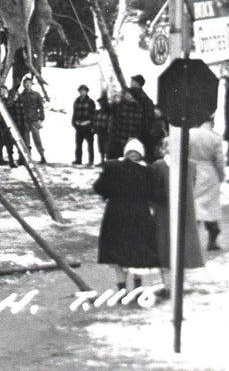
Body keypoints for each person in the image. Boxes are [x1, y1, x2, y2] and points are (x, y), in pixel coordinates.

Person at [93, 138, 158, 291]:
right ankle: (137, 285)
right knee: (138, 251)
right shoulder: (148, 170)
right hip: (139, 214)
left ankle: (121, 287)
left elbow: (98, 187)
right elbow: (154, 194)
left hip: (115, 213)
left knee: (116, 251)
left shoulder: (112, 166)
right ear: (141, 154)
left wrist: (110, 194)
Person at [149, 132, 203, 295]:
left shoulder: (190, 165)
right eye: (169, 145)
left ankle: (179, 285)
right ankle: (167, 285)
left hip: (184, 213)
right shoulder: (158, 165)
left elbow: (192, 186)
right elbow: (152, 189)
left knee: (182, 248)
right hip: (164, 212)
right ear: (164, 148)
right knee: (164, 246)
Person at [187, 120, 223, 251]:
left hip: (191, 171)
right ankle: (212, 239)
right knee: (210, 208)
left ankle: (190, 240)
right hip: (208, 172)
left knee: (193, 205)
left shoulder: (190, 134)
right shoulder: (214, 137)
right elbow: (219, 160)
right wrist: (221, 175)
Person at [13, 76, 47, 165]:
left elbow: (41, 107)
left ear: (32, 84)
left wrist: (41, 119)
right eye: (25, 83)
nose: (27, 85)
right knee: (25, 140)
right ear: (23, 85)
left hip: (34, 120)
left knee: (37, 139)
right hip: (24, 121)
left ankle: (42, 156)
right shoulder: (21, 96)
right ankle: (27, 158)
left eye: (29, 83)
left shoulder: (36, 95)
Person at [72, 85, 97, 166]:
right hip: (78, 125)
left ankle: (91, 160)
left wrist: (92, 125)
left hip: (87, 125)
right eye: (80, 90)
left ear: (86, 92)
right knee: (78, 144)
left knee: (90, 144)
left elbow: (93, 114)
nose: (81, 92)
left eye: (83, 90)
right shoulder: (76, 101)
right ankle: (78, 160)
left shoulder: (90, 102)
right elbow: (74, 113)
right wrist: (74, 122)